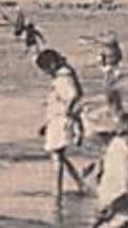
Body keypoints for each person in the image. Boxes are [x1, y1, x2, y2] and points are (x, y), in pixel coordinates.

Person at [35, 48, 89, 205]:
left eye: (45, 69)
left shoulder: (62, 78)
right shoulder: (65, 75)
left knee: (56, 155)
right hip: (57, 120)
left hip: (60, 120)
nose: (45, 73)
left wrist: (67, 111)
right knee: (60, 156)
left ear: (51, 65)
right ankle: (79, 183)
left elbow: (72, 95)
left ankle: (58, 190)